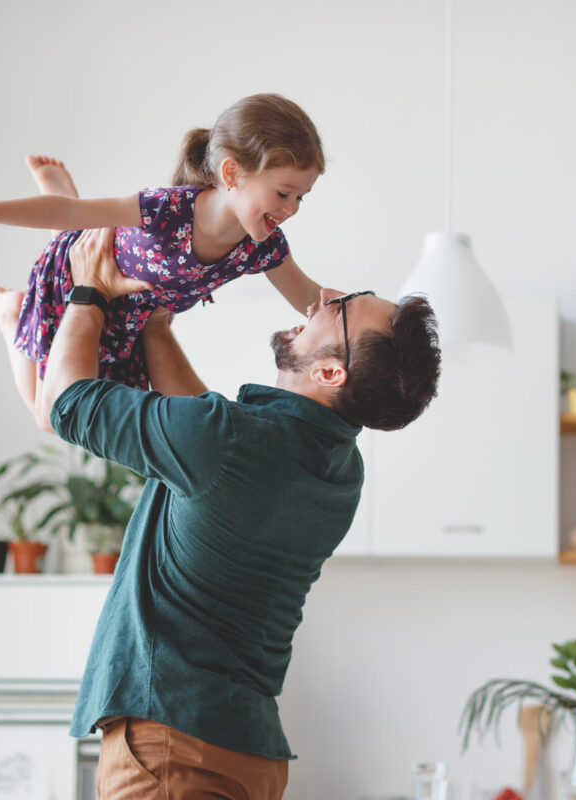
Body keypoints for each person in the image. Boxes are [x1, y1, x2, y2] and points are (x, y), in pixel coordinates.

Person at [42, 226, 441, 799]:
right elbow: (204, 441)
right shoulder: (338, 470)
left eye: (343, 309)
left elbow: (67, 401)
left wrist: (89, 291)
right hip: (246, 754)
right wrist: (155, 324)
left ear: (332, 372)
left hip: (171, 750)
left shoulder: (229, 442)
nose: (324, 297)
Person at [0, 93, 328, 431]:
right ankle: (11, 312)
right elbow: (66, 212)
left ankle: (69, 218)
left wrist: (384, 315)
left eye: (301, 197)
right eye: (283, 193)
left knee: (79, 414)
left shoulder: (263, 246)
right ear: (232, 172)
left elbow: (311, 297)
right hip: (75, 284)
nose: (292, 209)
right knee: (50, 418)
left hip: (128, 321)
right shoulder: (166, 210)